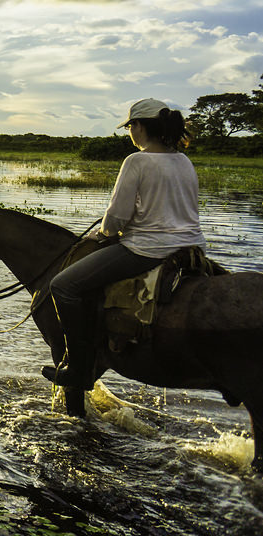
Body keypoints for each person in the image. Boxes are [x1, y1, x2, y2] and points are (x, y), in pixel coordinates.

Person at [43, 98, 206, 387]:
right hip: (191, 248)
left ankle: (79, 369)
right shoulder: (183, 160)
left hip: (146, 250)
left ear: (140, 127)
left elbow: (116, 217)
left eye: (130, 126)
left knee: (62, 285)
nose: (129, 131)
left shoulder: (137, 161)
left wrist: (105, 233)